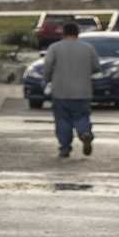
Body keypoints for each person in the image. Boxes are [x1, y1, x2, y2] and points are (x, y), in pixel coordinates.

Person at [45, 20, 96, 157]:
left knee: (63, 120)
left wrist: (47, 79)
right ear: (78, 34)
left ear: (63, 33)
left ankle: (65, 147)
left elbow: (48, 66)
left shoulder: (54, 48)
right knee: (82, 116)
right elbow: (96, 67)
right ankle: (84, 132)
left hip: (61, 91)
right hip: (83, 91)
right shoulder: (88, 48)